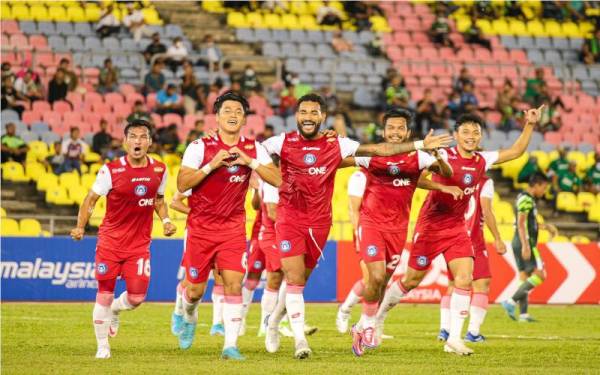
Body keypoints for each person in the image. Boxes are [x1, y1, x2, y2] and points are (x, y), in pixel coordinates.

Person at [261, 94, 453, 359]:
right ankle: (301, 340)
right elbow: (259, 156)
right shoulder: (283, 142)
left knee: (311, 281)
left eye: (313, 112)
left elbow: (394, 158)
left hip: (338, 224)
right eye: (303, 112)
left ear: (322, 116)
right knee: (304, 279)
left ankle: (275, 321)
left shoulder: (407, 157)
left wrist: (430, 155)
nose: (308, 116)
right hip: (322, 221)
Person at [374, 107, 544, 356]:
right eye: (465, 131)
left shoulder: (482, 159)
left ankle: (454, 338)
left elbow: (516, 151)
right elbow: (416, 179)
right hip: (430, 225)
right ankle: (377, 319)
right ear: (456, 134)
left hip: (456, 227)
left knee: (465, 279)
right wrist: (442, 189)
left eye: (475, 132)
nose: (471, 136)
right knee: (411, 280)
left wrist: (529, 124)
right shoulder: (441, 155)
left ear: (480, 136)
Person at [332, 109, 457, 355]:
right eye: (391, 128)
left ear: (408, 132)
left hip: (398, 230)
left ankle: (360, 326)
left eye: (400, 128)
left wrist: (438, 158)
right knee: (375, 277)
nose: (395, 132)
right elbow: (338, 163)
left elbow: (447, 173)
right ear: (384, 130)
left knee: (383, 283)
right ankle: (367, 324)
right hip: (371, 225)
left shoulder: (418, 158)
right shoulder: (372, 155)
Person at [173, 91, 281, 360]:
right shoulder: (199, 146)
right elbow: (182, 184)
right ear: (217, 116)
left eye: (238, 111)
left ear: (245, 119)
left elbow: (278, 180)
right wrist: (211, 165)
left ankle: (230, 345)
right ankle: (188, 316)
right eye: (227, 110)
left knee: (234, 284)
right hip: (200, 228)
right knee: (195, 290)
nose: (233, 115)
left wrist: (251, 162)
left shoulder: (254, 148)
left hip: (232, 228)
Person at [70, 119, 176, 359]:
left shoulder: (160, 169)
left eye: (143, 137)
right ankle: (102, 346)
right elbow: (90, 200)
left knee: (137, 297)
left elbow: (158, 200)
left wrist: (167, 221)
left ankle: (116, 311)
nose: (138, 141)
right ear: (125, 141)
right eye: (133, 137)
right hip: (110, 241)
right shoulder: (111, 170)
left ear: (149, 142)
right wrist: (80, 227)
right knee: (104, 292)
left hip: (139, 245)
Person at [438, 174, 507, 343]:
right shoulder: (484, 181)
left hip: (452, 237)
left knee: (454, 284)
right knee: (481, 283)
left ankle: (445, 329)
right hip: (472, 239)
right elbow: (486, 210)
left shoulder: (454, 177)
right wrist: (497, 237)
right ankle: (473, 332)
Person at [168, 189, 228, 338]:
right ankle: (178, 312)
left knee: (221, 276)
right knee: (191, 281)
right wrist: (201, 215)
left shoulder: (227, 181)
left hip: (222, 232)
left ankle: (217, 324)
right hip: (197, 233)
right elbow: (175, 203)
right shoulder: (196, 177)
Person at [501, 173, 557, 322]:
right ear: (537, 185)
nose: (544, 191)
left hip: (518, 241)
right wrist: (526, 245)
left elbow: (528, 223)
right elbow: (521, 223)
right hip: (525, 242)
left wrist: (545, 227)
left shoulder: (525, 198)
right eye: (544, 187)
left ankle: (524, 314)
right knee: (540, 274)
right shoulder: (526, 199)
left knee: (524, 277)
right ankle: (510, 302)